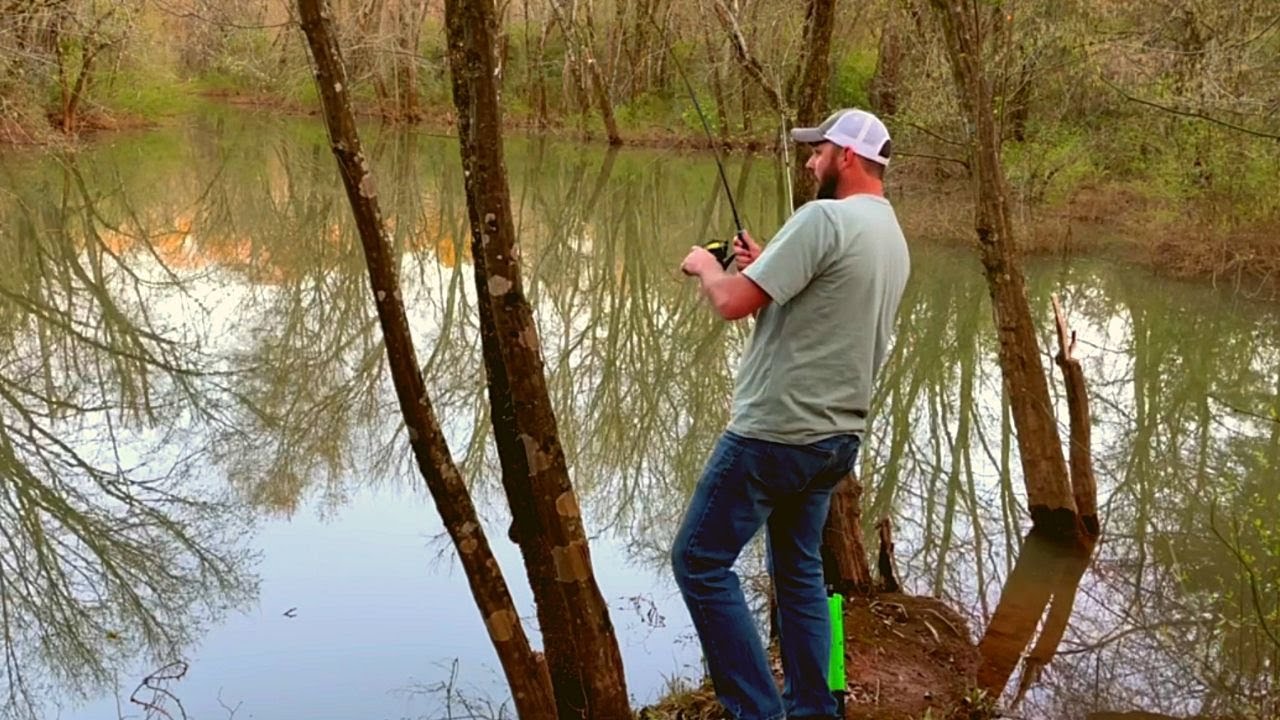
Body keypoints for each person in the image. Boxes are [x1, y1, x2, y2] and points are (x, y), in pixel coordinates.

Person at [672, 108, 910, 720]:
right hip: (836, 440)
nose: (810, 162)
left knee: (698, 562)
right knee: (801, 569)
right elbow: (809, 318)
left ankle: (759, 712)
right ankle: (814, 707)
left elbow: (729, 303)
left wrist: (707, 265)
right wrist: (765, 266)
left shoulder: (822, 217)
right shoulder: (889, 235)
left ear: (848, 158)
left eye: (819, 151)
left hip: (773, 433)